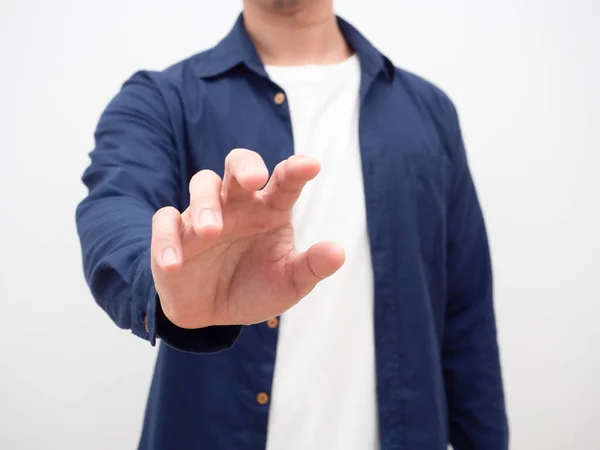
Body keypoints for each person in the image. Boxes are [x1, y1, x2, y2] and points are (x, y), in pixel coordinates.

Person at [76, 0, 508, 449]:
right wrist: (161, 282)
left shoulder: (429, 112)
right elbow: (113, 206)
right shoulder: (161, 99)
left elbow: (467, 319)